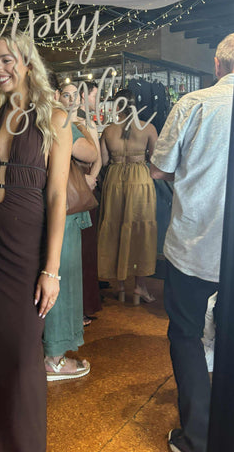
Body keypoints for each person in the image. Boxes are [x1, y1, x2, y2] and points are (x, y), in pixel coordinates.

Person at [0, 31, 71, 452]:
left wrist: (52, 270)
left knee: (23, 357)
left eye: (7, 60)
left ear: (27, 63)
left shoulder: (55, 118)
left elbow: (58, 196)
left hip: (26, 253)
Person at [150, 32, 234, 452]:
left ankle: (198, 437)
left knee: (186, 334)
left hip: (193, 242)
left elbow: (159, 168)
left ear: (217, 66)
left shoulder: (194, 103)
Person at [43, 75, 96, 381]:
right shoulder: (58, 119)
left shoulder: (16, 117)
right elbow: (90, 153)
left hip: (28, 208)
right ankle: (54, 357)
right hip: (60, 208)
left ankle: (42, 350)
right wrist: (79, 125)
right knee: (60, 279)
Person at [97, 89, 158, 304]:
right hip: (140, 180)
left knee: (115, 229)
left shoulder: (108, 130)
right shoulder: (148, 128)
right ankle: (140, 287)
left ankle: (120, 286)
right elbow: (156, 159)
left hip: (114, 180)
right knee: (141, 232)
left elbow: (104, 161)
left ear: (116, 106)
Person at [77, 81, 103, 323]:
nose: (98, 100)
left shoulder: (88, 123)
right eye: (95, 96)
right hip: (73, 185)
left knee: (84, 247)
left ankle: (83, 305)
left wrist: (90, 180)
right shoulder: (78, 121)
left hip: (83, 187)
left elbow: (98, 160)